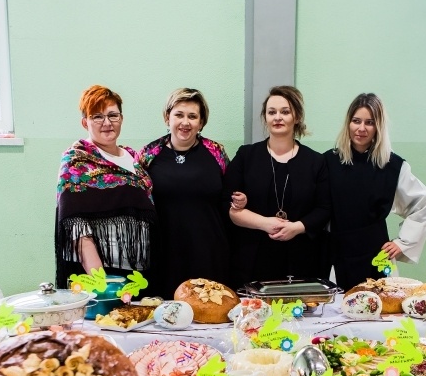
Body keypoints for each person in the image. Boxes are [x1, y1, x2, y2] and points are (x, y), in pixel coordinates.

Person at [139, 88, 244, 298]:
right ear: (167, 117)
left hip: (211, 252)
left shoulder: (216, 152)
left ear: (201, 122)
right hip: (164, 255)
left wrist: (239, 201)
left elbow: (230, 196)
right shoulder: (148, 155)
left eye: (192, 116)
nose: (185, 122)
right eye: (179, 115)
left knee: (211, 315)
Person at [324, 92, 426, 291]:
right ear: (348, 123)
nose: (361, 128)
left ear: (378, 127)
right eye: (356, 121)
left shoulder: (392, 166)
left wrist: (403, 243)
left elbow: (422, 202)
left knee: (380, 311)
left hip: (376, 254)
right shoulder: (328, 162)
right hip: (336, 253)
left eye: (369, 122)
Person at [223, 85, 330, 285]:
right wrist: (265, 224)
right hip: (252, 258)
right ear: (265, 117)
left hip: (302, 258)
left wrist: (297, 227)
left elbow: (324, 208)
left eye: (285, 112)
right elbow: (228, 205)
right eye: (271, 112)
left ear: (296, 117)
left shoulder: (315, 161)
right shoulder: (246, 156)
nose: (277, 117)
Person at [55, 85, 156, 288]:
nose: (107, 123)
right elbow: (77, 226)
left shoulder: (134, 157)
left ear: (122, 119)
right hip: (103, 274)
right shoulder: (76, 159)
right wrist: (101, 282)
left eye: (113, 115)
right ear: (85, 122)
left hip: (139, 272)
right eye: (98, 117)